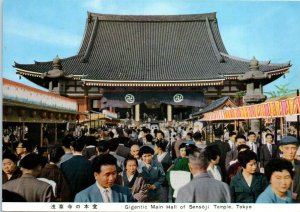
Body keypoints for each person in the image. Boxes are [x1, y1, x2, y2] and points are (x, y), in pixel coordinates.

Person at [60, 137, 94, 201]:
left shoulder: (64, 165)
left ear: (72, 148)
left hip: (70, 198)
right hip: (86, 197)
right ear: (84, 148)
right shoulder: (90, 164)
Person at [278, 136, 300, 202]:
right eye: (287, 148)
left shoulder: (299, 165)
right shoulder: (274, 165)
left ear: (297, 148)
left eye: (293, 148)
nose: (290, 152)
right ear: (281, 148)